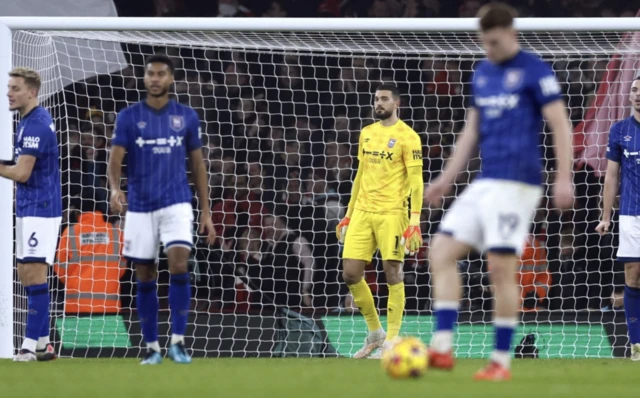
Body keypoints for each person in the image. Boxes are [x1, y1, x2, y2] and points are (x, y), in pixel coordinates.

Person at [423, 3, 573, 381]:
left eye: (493, 42)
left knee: (500, 269)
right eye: (483, 43)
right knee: (440, 250)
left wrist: (564, 177)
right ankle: (442, 348)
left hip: (519, 184)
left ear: (511, 33)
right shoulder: (482, 72)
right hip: (487, 181)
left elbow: (560, 125)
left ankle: (501, 362)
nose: (488, 50)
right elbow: (470, 133)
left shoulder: (534, 70)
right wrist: (444, 179)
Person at [108, 53, 216, 365]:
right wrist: (116, 189)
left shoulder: (186, 117)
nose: (155, 79)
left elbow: (198, 165)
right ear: (144, 79)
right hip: (140, 207)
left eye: (161, 74)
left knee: (179, 266)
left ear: (170, 79)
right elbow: (115, 160)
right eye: (150, 74)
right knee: (145, 274)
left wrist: (205, 211)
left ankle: (178, 342)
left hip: (177, 204)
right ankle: (153, 347)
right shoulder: (129, 116)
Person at [336, 83, 424, 359]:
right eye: (376, 99)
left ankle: (393, 339)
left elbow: (416, 182)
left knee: (392, 274)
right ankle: (376, 333)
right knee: (350, 274)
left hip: (392, 213)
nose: (378, 103)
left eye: (384, 99)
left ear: (396, 103)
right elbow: (360, 175)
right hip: (362, 212)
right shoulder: (366, 133)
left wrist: (415, 222)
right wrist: (348, 214)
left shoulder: (408, 137)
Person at [0, 67, 60, 362]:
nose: (9, 93)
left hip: (41, 209)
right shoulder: (25, 122)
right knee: (26, 274)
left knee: (35, 276)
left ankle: (27, 347)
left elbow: (22, 173)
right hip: (29, 207)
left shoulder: (36, 124)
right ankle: (44, 344)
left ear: (32, 92)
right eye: (9, 87)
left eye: (15, 88)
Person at [596, 77, 640, 362]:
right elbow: (611, 176)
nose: (638, 95)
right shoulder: (619, 130)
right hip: (631, 214)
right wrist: (605, 216)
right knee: (634, 277)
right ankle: (637, 346)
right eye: (635, 89)